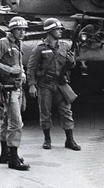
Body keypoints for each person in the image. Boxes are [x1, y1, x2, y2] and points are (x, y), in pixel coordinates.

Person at [27, 18, 80, 151]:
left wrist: (72, 61)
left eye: (60, 29)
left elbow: (70, 66)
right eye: (57, 29)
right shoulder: (39, 49)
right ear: (50, 31)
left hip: (61, 83)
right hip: (45, 84)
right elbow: (31, 68)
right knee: (45, 112)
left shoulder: (65, 46)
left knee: (66, 111)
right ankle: (47, 139)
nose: (60, 31)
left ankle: (70, 140)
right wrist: (32, 85)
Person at [0, 16, 30, 170]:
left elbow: (18, 62)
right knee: (16, 123)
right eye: (19, 30)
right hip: (8, 88)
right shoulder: (3, 43)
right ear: (12, 30)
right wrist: (10, 70)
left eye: (24, 30)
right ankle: (13, 160)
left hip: (16, 87)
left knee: (7, 121)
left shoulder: (18, 43)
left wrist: (22, 73)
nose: (22, 32)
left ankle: (5, 154)